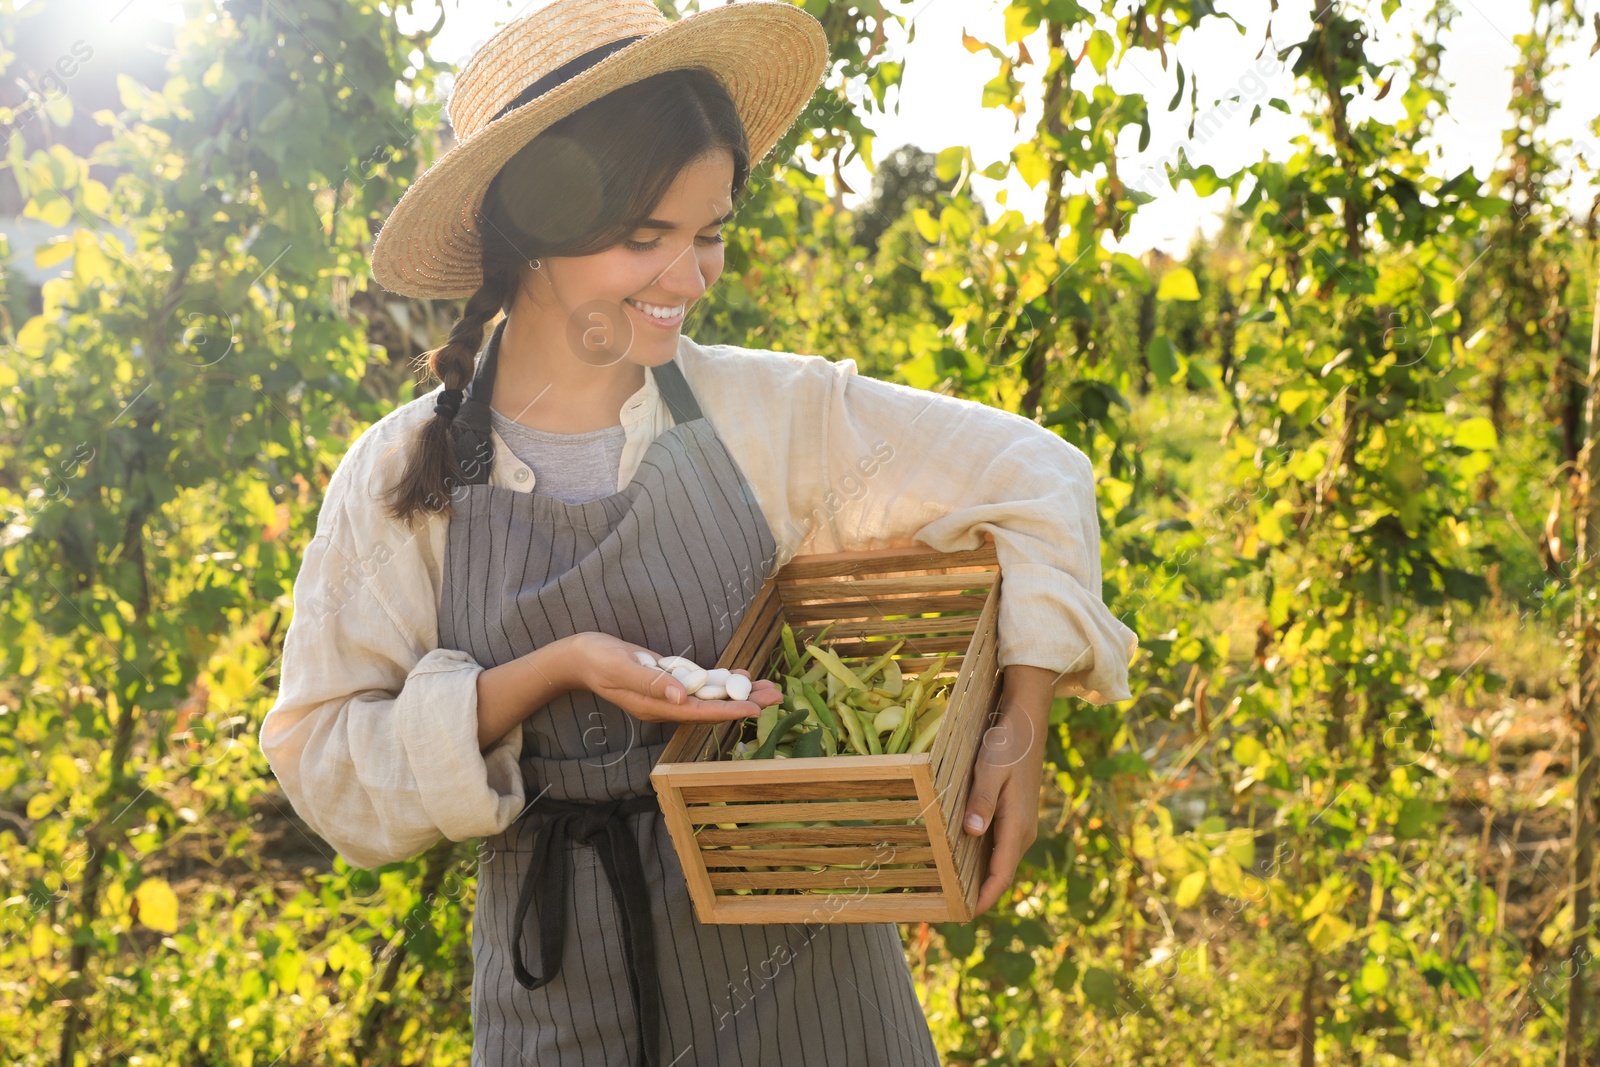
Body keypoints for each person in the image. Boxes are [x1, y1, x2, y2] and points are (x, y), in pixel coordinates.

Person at [258, 1, 1139, 1064]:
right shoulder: (405, 474)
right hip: (560, 995)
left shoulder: (769, 414)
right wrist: (546, 671)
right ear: (533, 229)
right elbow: (327, 766)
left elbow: (1035, 475)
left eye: (709, 232)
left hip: (811, 990)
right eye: (646, 239)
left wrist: (1020, 718)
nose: (689, 279)